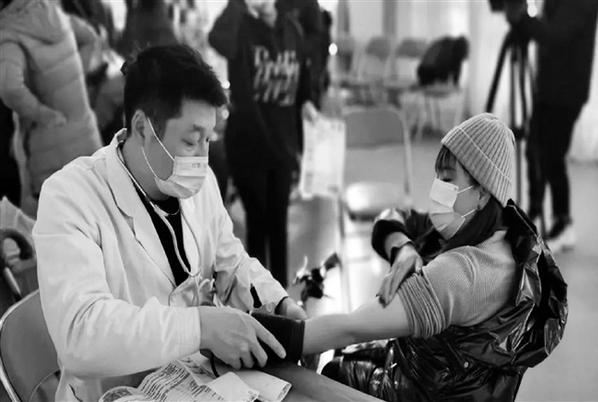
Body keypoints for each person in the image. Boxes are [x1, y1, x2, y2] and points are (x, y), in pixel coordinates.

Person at [33, 45, 309, 402]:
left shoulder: (199, 184)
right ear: (142, 127)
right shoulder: (72, 196)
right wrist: (199, 327)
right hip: (119, 392)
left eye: (208, 139)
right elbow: (82, 335)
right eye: (191, 141)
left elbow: (232, 263)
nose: (203, 157)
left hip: (196, 381)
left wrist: (281, 305)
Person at [252, 114, 567, 401]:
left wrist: (248, 330)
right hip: (452, 385)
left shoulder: (462, 274)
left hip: (422, 391)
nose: (436, 188)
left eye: (447, 179)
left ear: (483, 192)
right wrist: (402, 246)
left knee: (332, 371)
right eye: (437, 176)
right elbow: (394, 217)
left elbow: (351, 327)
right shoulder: (504, 240)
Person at [209, 0, 318, 287]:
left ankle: (280, 296)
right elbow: (216, 38)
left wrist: (307, 102)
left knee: (278, 225)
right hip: (249, 145)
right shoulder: (241, 27)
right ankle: (260, 298)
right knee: (257, 226)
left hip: (282, 146)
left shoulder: (292, 29)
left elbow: (302, 77)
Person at [505, 0, 598, 253]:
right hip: (549, 87)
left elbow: (556, 35)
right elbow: (548, 30)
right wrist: (523, 23)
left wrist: (523, 19)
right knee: (535, 151)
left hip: (567, 91)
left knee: (551, 155)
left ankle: (563, 222)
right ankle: (536, 212)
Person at [0, 0, 102, 215]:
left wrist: (42, 114)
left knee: (61, 220)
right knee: (93, 214)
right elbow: (91, 38)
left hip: (50, 148)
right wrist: (76, 79)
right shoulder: (53, 13)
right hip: (87, 135)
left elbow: (10, 88)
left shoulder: (9, 32)